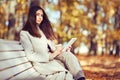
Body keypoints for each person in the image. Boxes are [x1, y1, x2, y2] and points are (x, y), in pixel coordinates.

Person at [20, 5, 85, 80]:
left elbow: (51, 47)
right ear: (32, 15)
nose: (40, 17)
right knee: (66, 71)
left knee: (68, 55)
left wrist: (62, 49)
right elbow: (30, 55)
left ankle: (81, 78)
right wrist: (52, 55)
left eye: (42, 15)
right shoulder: (25, 33)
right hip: (42, 63)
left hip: (52, 57)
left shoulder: (42, 30)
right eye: (37, 14)